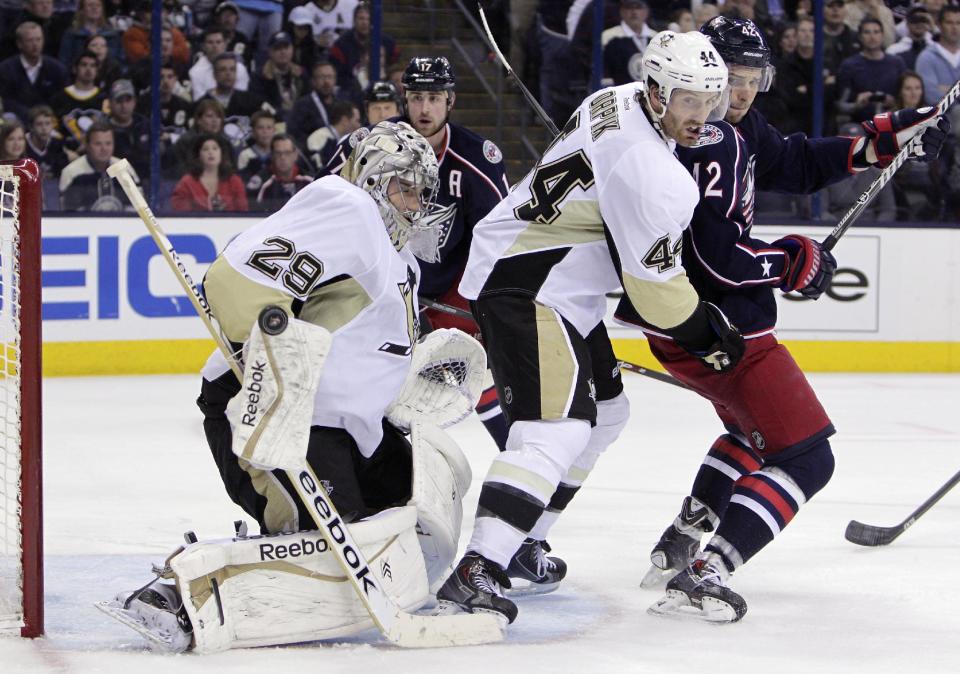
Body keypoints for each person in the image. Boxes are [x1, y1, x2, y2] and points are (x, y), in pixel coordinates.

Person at [102, 121, 481, 653]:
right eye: (405, 186)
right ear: (373, 180)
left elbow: (359, 341)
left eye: (423, 190)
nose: (417, 202)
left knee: (403, 515)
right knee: (319, 545)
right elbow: (233, 282)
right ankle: (178, 595)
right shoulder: (348, 206)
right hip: (274, 409)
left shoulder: (402, 258)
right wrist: (267, 340)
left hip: (348, 428)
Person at [619, 16, 949, 623]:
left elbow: (793, 163)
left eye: (752, 80)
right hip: (718, 328)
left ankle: (682, 538)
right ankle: (707, 569)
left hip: (685, 325)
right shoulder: (709, 142)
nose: (741, 93)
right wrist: (787, 260)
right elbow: (715, 260)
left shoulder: (723, 127)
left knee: (753, 434)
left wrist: (875, 144)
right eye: (731, 79)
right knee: (806, 458)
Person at [434, 31, 745, 626]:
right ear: (655, 92)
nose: (702, 115)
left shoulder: (616, 97)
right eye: (687, 100)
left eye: (711, 98)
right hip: (527, 286)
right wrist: (707, 335)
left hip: (552, 280)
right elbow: (656, 294)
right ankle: (477, 571)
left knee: (607, 415)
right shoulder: (655, 173)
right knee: (556, 433)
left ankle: (523, 541)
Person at [325, 56, 514, 463]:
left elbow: (498, 237)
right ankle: (369, 462)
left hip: (451, 287)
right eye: (416, 97)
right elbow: (329, 204)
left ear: (450, 101)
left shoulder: (475, 158)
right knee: (377, 377)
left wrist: (489, 304)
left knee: (475, 372)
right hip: (382, 281)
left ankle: (519, 458)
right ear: (404, 100)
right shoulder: (369, 147)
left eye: (434, 97)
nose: (424, 108)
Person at [59, 121, 140, 211]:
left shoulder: (125, 168)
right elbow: (67, 213)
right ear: (87, 145)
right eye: (98, 144)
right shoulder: (71, 172)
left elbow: (138, 207)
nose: (104, 149)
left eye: (108, 143)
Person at [0, 22, 67, 125]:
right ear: (19, 44)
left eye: (38, 39)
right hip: (18, 121)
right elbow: (6, 101)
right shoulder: (6, 69)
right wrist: (30, 115)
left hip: (49, 121)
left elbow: (61, 99)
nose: (35, 44)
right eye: (30, 40)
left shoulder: (57, 69)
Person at [171, 133, 248, 212]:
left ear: (222, 153)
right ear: (198, 155)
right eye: (205, 149)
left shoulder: (234, 181)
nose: (210, 152)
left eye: (215, 148)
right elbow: (181, 215)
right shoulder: (187, 182)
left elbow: (243, 211)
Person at [252, 133, 314, 211]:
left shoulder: (310, 181)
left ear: (295, 155)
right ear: (272, 155)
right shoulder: (262, 183)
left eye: (287, 153)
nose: (283, 157)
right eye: (278, 153)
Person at [306, 99, 360, 171]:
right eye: (357, 121)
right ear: (345, 121)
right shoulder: (319, 137)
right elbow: (318, 171)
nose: (359, 126)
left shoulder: (345, 141)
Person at [24, 104, 70, 178]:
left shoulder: (57, 144)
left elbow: (64, 174)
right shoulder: (22, 145)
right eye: (39, 124)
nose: (44, 128)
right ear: (31, 127)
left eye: (47, 123)